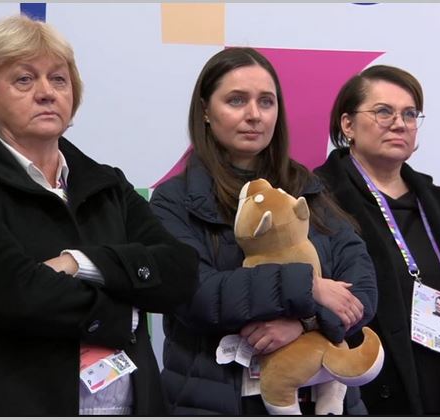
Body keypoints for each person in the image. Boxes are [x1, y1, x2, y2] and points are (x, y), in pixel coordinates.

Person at [0, 14, 198, 416]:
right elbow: (20, 297)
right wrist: (126, 311)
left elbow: (181, 272)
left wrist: (78, 264)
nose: (47, 92)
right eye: (24, 79)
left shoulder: (108, 183)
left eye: (59, 79)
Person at [149, 47, 378, 416]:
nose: (254, 114)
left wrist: (305, 323)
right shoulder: (173, 200)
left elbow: (361, 288)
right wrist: (309, 287)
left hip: (322, 400)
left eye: (266, 102)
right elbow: (198, 295)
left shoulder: (308, 188)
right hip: (219, 402)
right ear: (205, 110)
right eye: (236, 100)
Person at [314, 64, 440, 415]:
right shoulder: (320, 196)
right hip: (367, 388)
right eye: (384, 111)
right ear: (348, 125)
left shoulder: (439, 201)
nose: (400, 124)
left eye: (409, 114)